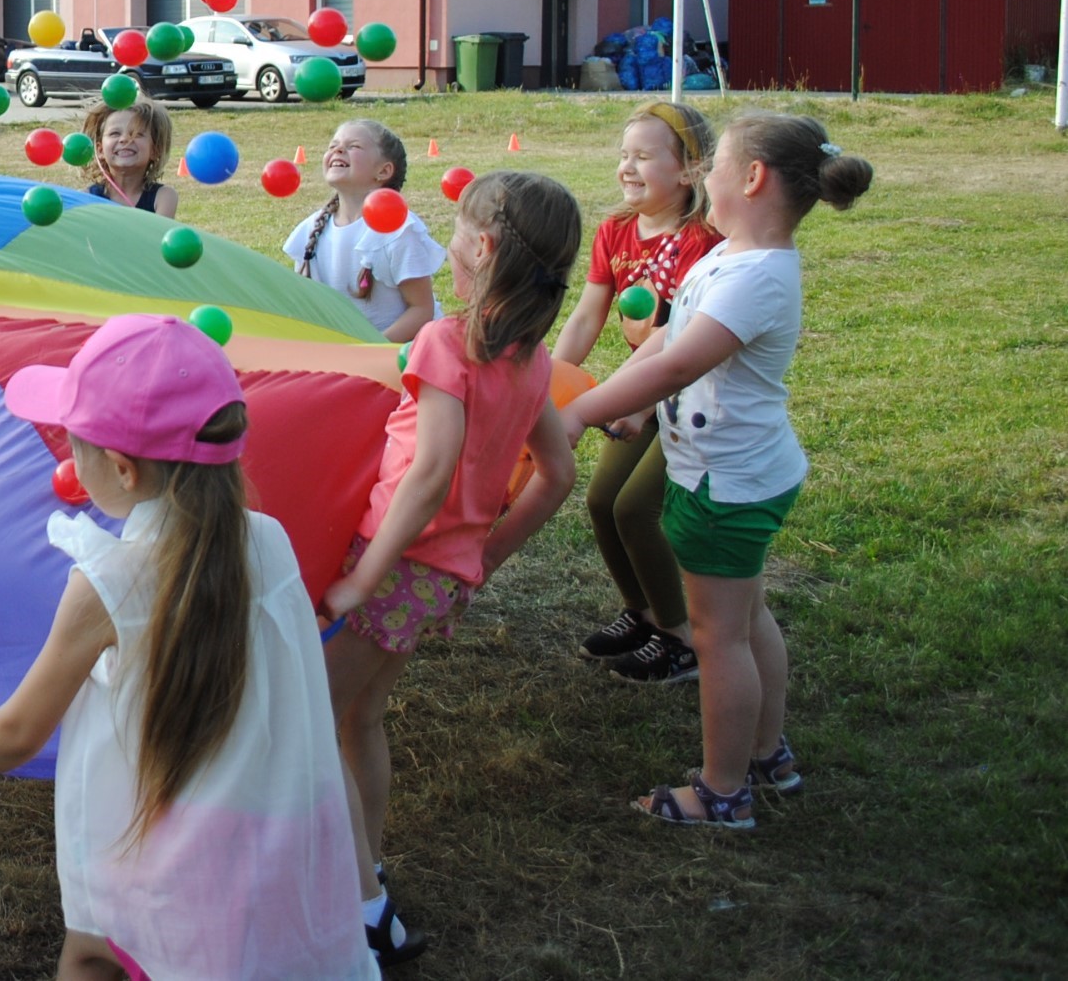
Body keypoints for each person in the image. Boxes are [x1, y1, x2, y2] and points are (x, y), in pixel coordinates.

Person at [0, 316, 375, 981]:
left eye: (74, 441)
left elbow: (20, 727)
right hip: (269, 830)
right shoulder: (267, 541)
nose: (66, 453)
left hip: (163, 846)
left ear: (120, 469)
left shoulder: (109, 580)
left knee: (96, 952)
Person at [565, 113, 873, 829]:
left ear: (753, 177)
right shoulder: (727, 256)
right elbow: (666, 339)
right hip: (733, 471)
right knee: (746, 616)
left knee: (718, 637)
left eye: (714, 165)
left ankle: (721, 791)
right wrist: (624, 406)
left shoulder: (757, 277)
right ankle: (767, 754)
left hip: (724, 486)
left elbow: (677, 362)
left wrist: (573, 416)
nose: (703, 177)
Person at [319, 171, 582, 964]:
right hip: (438, 574)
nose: (446, 243)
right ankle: (365, 860)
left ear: (486, 247)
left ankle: (363, 908)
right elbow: (558, 474)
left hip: (392, 567)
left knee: (303, 720)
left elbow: (428, 474)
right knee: (356, 717)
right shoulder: (527, 359)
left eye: (457, 230)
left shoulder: (446, 343)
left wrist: (363, 580)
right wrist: (484, 558)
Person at [550, 102, 721, 684]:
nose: (627, 166)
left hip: (691, 396)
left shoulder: (705, 240)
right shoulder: (615, 230)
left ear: (690, 170)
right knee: (601, 503)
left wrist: (637, 402)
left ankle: (681, 638)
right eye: (624, 154)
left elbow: (684, 338)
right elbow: (586, 317)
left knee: (636, 509)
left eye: (644, 156)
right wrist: (548, 381)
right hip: (641, 389)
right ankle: (643, 615)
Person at [283, 120, 443, 343]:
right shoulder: (311, 230)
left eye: (354, 146)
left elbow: (421, 309)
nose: (338, 150)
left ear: (384, 170)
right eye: (333, 145)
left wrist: (371, 349)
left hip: (400, 357)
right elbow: (305, 305)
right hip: (343, 357)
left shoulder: (397, 229)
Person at [81, 96, 179, 217]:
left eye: (137, 134)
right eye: (115, 133)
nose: (125, 139)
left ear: (155, 150)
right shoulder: (86, 198)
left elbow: (158, 234)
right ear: (100, 150)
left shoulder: (164, 196)